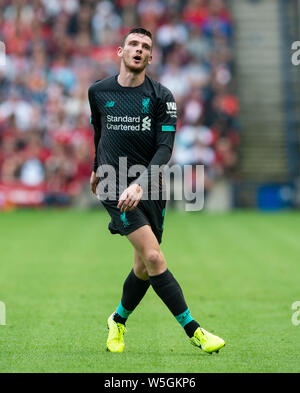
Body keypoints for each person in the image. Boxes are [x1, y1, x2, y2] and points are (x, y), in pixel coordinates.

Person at [88, 27, 225, 354]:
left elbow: (164, 150)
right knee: (153, 256)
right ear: (120, 51)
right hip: (113, 182)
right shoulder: (98, 91)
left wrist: (141, 184)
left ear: (150, 56)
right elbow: (99, 131)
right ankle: (195, 331)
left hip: (149, 187)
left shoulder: (163, 97)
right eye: (132, 44)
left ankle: (117, 321)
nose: (138, 49)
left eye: (145, 46)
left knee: (142, 267)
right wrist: (97, 167)